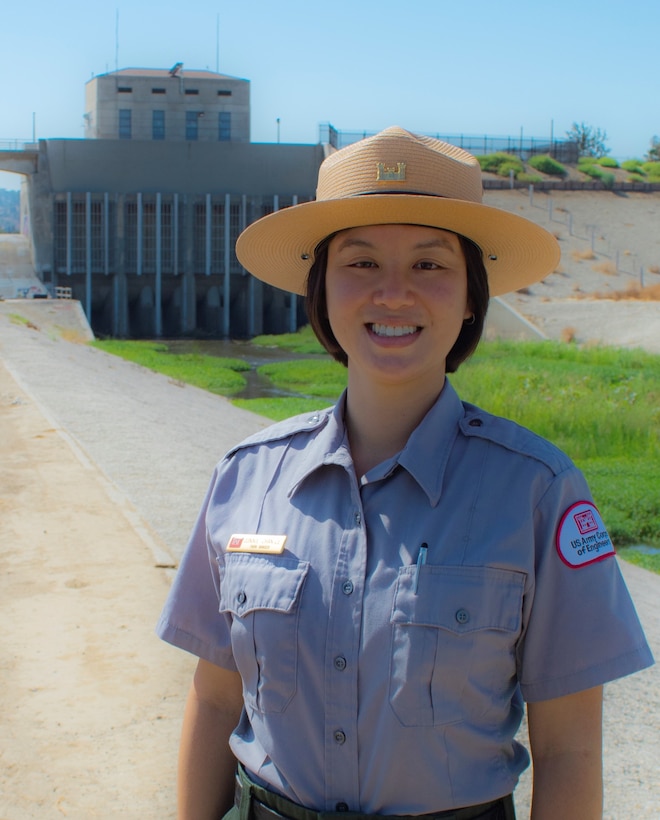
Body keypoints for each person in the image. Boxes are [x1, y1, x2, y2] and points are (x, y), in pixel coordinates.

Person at [157, 127, 653, 820]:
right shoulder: (247, 480)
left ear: (472, 296)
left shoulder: (538, 493)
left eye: (429, 266)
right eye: (360, 264)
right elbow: (213, 701)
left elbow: (569, 751)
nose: (393, 294)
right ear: (321, 291)